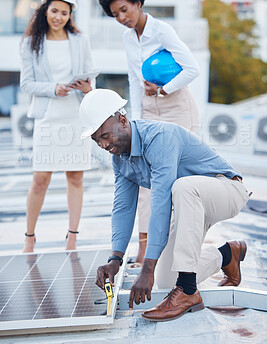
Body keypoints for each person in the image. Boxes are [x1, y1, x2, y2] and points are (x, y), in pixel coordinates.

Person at [79, 89, 249, 322]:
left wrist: (147, 267)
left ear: (122, 120)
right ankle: (227, 254)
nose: (102, 144)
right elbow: (123, 208)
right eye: (96, 140)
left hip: (226, 191)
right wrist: (115, 259)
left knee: (181, 187)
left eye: (105, 136)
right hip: (190, 205)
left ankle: (188, 292)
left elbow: (160, 200)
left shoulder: (160, 137)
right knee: (167, 281)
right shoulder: (120, 159)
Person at [99, 0, 200, 267]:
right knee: (142, 178)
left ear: (138, 3)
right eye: (115, 14)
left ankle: (183, 247)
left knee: (177, 180)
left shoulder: (163, 31)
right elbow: (133, 79)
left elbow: (191, 69)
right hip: (148, 110)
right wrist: (137, 121)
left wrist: (163, 90)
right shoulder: (127, 38)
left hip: (177, 107)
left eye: (124, 10)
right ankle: (145, 251)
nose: (121, 18)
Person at [20, 0, 94, 253]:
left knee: (75, 177)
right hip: (48, 118)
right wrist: (53, 88)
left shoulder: (81, 41)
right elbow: (26, 84)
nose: (58, 17)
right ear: (45, 10)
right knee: (40, 178)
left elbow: (90, 80)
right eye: (54, 11)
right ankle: (29, 238)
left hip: (75, 117)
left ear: (70, 14)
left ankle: (72, 237)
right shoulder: (31, 43)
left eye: (64, 12)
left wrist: (86, 88)